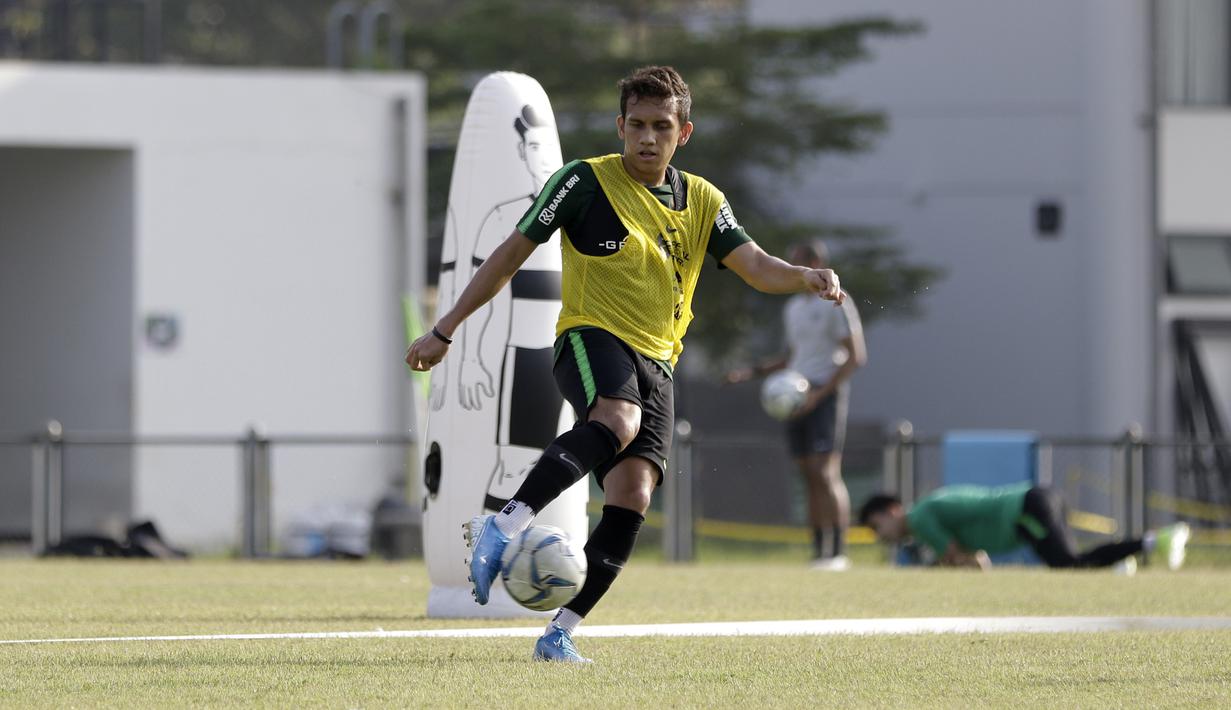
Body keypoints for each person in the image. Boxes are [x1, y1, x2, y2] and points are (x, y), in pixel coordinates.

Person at [406, 65, 845, 663]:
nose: (647, 137)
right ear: (620, 127)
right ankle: (503, 524)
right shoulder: (583, 181)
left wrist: (804, 276)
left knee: (634, 492)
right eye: (636, 124)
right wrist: (445, 329)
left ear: (683, 133)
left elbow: (757, 266)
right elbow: (508, 256)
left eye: (661, 126)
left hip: (659, 362)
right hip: (591, 338)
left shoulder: (703, 200)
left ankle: (559, 633)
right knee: (618, 419)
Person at [726, 240, 865, 570]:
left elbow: (855, 356)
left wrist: (820, 394)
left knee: (826, 471)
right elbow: (792, 357)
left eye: (798, 261)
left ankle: (838, 552)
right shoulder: (793, 308)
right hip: (796, 395)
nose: (792, 268)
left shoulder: (836, 302)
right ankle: (819, 550)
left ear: (815, 263)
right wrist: (753, 371)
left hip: (824, 393)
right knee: (807, 472)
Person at [858, 483, 1191, 571]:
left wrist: (932, 568)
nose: (881, 536)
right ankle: (1120, 564)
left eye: (878, 525)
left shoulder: (919, 518)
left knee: (1068, 565)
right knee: (1073, 562)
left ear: (893, 510)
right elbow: (974, 559)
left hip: (1026, 510)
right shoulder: (925, 513)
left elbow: (955, 556)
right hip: (1033, 501)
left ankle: (1157, 540)